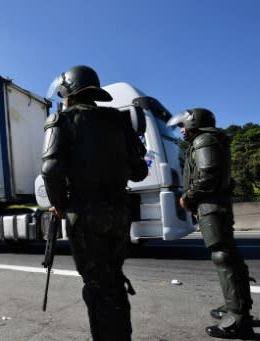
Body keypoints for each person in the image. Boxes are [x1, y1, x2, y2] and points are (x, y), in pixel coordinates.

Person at [41, 65, 147, 341]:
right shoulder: (119, 120)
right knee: (114, 280)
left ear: (67, 92)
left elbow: (50, 170)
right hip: (119, 214)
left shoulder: (61, 120)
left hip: (85, 215)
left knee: (97, 287)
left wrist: (60, 204)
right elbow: (140, 171)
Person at [171, 108, 254, 339]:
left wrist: (188, 197)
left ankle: (238, 319)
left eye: (183, 125)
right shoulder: (215, 140)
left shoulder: (203, 140)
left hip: (210, 207)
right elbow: (225, 179)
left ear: (192, 122)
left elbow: (208, 174)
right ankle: (238, 306)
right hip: (217, 205)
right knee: (229, 256)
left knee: (223, 257)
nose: (181, 130)